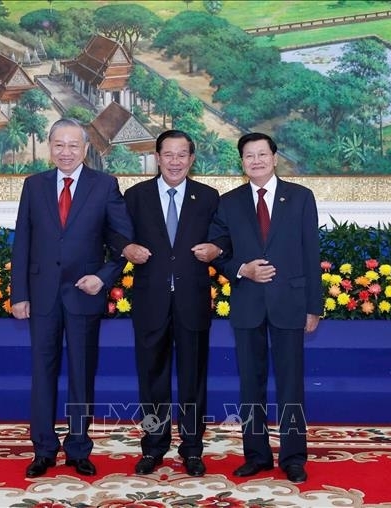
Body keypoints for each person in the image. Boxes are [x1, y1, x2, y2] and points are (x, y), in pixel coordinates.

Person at [11, 118, 133, 478]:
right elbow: (23, 243)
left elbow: (123, 242)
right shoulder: (34, 185)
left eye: (73, 145)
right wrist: (20, 294)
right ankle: (43, 449)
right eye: (59, 145)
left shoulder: (105, 185)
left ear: (85, 149)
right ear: (50, 147)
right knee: (42, 373)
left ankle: (79, 448)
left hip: (84, 293)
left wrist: (103, 278)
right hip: (42, 295)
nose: (66, 152)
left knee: (82, 374)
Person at [208, 132, 322, 483]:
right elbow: (218, 251)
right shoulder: (229, 203)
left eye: (262, 154)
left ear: (274, 157)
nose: (256, 161)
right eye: (249, 156)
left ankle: (293, 457)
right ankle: (256, 455)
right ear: (241, 162)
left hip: (290, 302)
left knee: (291, 385)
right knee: (250, 384)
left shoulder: (300, 197)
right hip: (248, 303)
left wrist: (313, 306)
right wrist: (242, 270)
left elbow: (311, 253)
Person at [116, 130, 224, 477]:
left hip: (192, 299)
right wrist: (126, 247)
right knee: (152, 380)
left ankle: (192, 449)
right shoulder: (136, 196)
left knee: (193, 379)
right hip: (151, 300)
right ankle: (153, 446)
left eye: (182, 155)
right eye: (168, 155)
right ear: (157, 157)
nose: (175, 162)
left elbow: (224, 236)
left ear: (191, 159)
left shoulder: (208, 197)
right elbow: (116, 233)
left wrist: (217, 248)